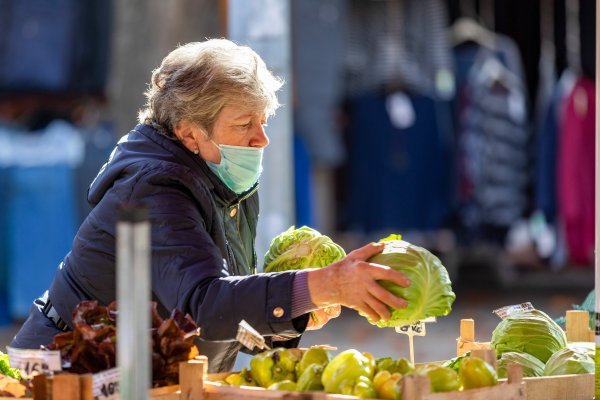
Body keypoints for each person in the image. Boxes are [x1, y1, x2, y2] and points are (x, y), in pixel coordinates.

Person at [11, 39, 410, 372]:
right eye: (244, 124)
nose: (261, 139)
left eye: (263, 121)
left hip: (139, 374)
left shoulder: (221, 178)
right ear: (189, 134)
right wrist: (325, 284)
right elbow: (205, 304)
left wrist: (298, 310)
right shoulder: (153, 187)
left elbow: (228, 320)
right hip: (66, 373)